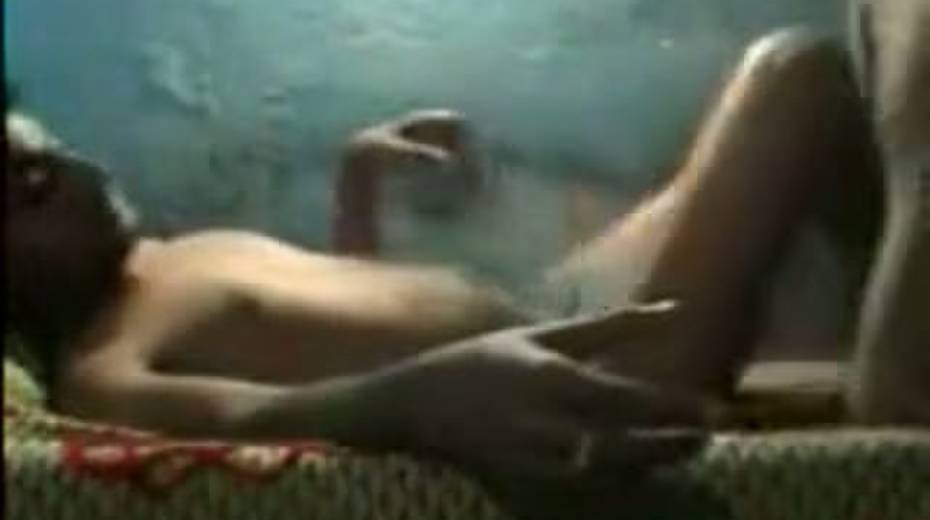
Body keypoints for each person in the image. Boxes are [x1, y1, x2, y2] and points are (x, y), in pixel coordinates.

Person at [4, 0, 927, 513]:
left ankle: (894, 347)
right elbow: (259, 416)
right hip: (590, 369)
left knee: (826, 88)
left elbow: (322, 322)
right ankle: (902, 411)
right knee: (796, 74)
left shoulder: (167, 258)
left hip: (557, 299)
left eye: (53, 151)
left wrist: (358, 189)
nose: (79, 174)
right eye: (35, 190)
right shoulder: (103, 362)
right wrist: (417, 401)